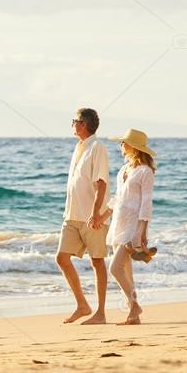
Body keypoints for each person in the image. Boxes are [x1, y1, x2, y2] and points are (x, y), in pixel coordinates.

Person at [55, 107, 110, 325]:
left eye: (74, 121)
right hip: (72, 216)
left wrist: (96, 213)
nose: (72, 124)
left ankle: (101, 313)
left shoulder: (97, 148)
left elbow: (101, 183)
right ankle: (82, 305)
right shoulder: (79, 148)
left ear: (83, 124)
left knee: (97, 261)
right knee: (61, 258)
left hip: (91, 218)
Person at [105, 128, 156, 326]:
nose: (120, 145)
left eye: (123, 142)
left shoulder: (145, 171)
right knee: (126, 272)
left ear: (133, 147)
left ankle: (134, 305)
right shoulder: (124, 169)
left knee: (115, 269)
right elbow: (118, 198)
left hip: (134, 226)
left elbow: (146, 203)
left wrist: (142, 232)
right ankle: (133, 315)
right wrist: (102, 217)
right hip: (119, 222)